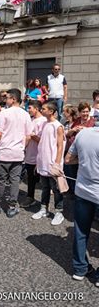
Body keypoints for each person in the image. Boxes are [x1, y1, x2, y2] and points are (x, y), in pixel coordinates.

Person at [0, 89, 32, 218]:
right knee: (15, 181)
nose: (6, 100)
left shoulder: (5, 113)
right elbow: (29, 135)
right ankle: (12, 206)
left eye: (8, 97)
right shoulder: (25, 114)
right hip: (18, 153)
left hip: (4, 152)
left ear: (13, 99)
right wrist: (22, 147)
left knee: (1, 180)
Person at [67, 121, 99, 285]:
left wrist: (87, 163)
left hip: (83, 190)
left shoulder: (83, 134)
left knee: (81, 231)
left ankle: (80, 269)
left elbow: (68, 159)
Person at [31, 102, 66, 226]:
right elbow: (42, 144)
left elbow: (60, 146)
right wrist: (38, 161)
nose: (42, 110)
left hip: (52, 164)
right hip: (43, 162)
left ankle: (59, 212)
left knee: (56, 189)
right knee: (45, 188)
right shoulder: (45, 124)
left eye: (44, 108)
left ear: (51, 111)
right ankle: (43, 209)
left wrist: (57, 163)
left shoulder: (58, 126)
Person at [22, 101, 47, 209]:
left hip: (39, 156)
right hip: (29, 154)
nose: (28, 110)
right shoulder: (31, 120)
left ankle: (45, 205)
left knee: (44, 181)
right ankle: (30, 197)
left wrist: (32, 136)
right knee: (30, 178)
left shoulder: (43, 121)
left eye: (30, 108)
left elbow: (43, 140)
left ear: (36, 108)